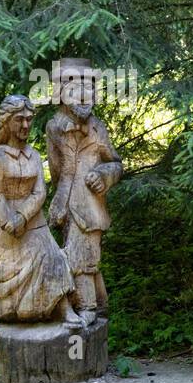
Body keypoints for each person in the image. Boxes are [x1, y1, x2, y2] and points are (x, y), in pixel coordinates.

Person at [0, 94, 83, 328]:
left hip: (34, 223)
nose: (26, 125)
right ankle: (15, 313)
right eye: (20, 120)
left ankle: (64, 310)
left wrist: (23, 216)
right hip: (8, 228)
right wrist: (8, 221)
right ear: (7, 122)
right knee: (5, 271)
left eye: (29, 119)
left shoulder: (34, 156)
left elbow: (40, 192)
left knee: (54, 259)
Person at [46, 57, 122, 325]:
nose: (82, 94)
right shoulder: (54, 126)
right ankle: (99, 305)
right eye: (73, 87)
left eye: (88, 87)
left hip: (90, 204)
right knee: (78, 254)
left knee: (81, 257)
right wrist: (60, 200)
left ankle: (88, 308)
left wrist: (104, 175)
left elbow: (115, 162)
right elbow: (56, 171)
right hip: (65, 204)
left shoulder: (97, 128)